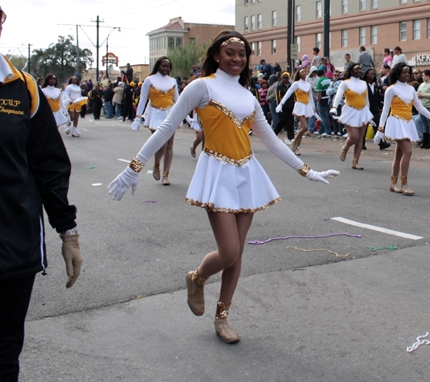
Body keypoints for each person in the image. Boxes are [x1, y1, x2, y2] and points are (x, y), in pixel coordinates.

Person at [109, 33, 337, 344]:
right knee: (229, 251)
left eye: (242, 54)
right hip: (216, 173)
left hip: (247, 174)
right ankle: (197, 278)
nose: (237, 59)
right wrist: (134, 167)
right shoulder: (201, 87)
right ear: (217, 55)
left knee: (237, 253)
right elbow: (166, 126)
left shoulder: (248, 96)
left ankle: (222, 317)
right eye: (230, 52)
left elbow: (271, 140)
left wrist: (307, 171)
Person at [0, 5, 82, 381]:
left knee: (4, 351)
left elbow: (49, 165)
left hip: (13, 248)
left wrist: (69, 232)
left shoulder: (23, 88)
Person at [374, 63, 430, 194]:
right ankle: (404, 184)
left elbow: (419, 107)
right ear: (397, 74)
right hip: (396, 122)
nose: (407, 74)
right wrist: (380, 129)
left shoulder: (411, 89)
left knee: (399, 154)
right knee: (408, 151)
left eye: (408, 72)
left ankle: (393, 182)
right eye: (404, 72)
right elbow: (385, 110)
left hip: (408, 122)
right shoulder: (391, 89)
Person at [131, 56, 180, 185]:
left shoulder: (173, 81)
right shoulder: (149, 80)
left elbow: (178, 100)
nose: (165, 69)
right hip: (155, 114)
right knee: (161, 143)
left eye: (168, 67)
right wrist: (137, 118)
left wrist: (187, 117)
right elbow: (142, 100)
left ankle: (166, 175)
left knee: (169, 145)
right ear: (158, 66)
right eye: (163, 66)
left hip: (170, 114)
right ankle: (157, 164)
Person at [331, 64, 372, 169]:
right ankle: (345, 147)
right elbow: (338, 96)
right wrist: (334, 107)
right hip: (350, 111)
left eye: (360, 69)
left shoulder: (364, 83)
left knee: (360, 138)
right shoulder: (345, 83)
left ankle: (355, 162)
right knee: (354, 136)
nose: (359, 70)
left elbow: (366, 100)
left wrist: (368, 114)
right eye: (356, 69)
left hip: (363, 111)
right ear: (351, 71)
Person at [276, 67, 316, 154]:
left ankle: (297, 148)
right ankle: (294, 141)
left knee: (301, 128)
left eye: (305, 72)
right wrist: (281, 104)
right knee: (305, 127)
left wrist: (314, 109)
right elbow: (288, 94)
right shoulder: (296, 84)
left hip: (307, 106)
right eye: (302, 72)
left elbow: (311, 98)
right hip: (299, 105)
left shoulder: (308, 85)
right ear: (299, 74)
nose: (304, 73)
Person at [272, 72, 295, 141]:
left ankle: (291, 137)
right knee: (282, 121)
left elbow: (294, 96)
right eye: (283, 77)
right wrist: (279, 106)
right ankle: (274, 134)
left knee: (290, 122)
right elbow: (277, 97)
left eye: (286, 77)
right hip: (283, 107)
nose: (285, 79)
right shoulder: (279, 86)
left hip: (290, 106)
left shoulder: (291, 86)